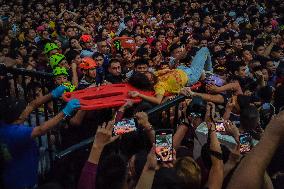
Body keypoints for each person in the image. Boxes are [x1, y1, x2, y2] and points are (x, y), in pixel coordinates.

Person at [0, 85, 80, 189]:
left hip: (10, 175)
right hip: (22, 182)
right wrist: (64, 112)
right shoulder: (16, 133)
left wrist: (52, 94)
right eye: (23, 109)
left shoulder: (5, 123)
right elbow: (41, 129)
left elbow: (32, 105)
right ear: (19, 116)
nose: (27, 108)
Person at [128, 47, 212, 104]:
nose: (149, 76)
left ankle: (206, 72)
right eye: (148, 79)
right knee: (204, 50)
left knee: (197, 53)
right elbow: (158, 100)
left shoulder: (154, 75)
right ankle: (209, 72)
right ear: (148, 83)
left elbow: (160, 71)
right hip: (190, 76)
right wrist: (139, 94)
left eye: (146, 73)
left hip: (181, 68)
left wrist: (166, 70)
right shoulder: (158, 86)